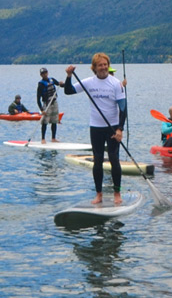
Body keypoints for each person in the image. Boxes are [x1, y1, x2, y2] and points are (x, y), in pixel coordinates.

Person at [64, 53, 127, 205]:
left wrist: (120, 129)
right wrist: (69, 76)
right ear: (94, 68)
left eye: (105, 64)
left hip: (112, 127)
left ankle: (117, 193)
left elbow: (123, 108)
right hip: (96, 127)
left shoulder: (116, 83)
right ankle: (99, 194)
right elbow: (69, 91)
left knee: (114, 159)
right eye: (100, 65)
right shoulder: (89, 82)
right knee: (97, 160)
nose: (103, 67)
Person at [36, 67, 62, 144]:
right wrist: (41, 110)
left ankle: (53, 138)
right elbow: (38, 99)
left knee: (54, 121)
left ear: (47, 73)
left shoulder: (52, 80)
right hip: (46, 104)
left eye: (45, 73)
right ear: (41, 75)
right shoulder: (41, 84)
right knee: (45, 122)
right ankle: (43, 139)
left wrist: (62, 83)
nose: (44, 74)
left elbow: (60, 85)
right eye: (42, 73)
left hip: (54, 103)